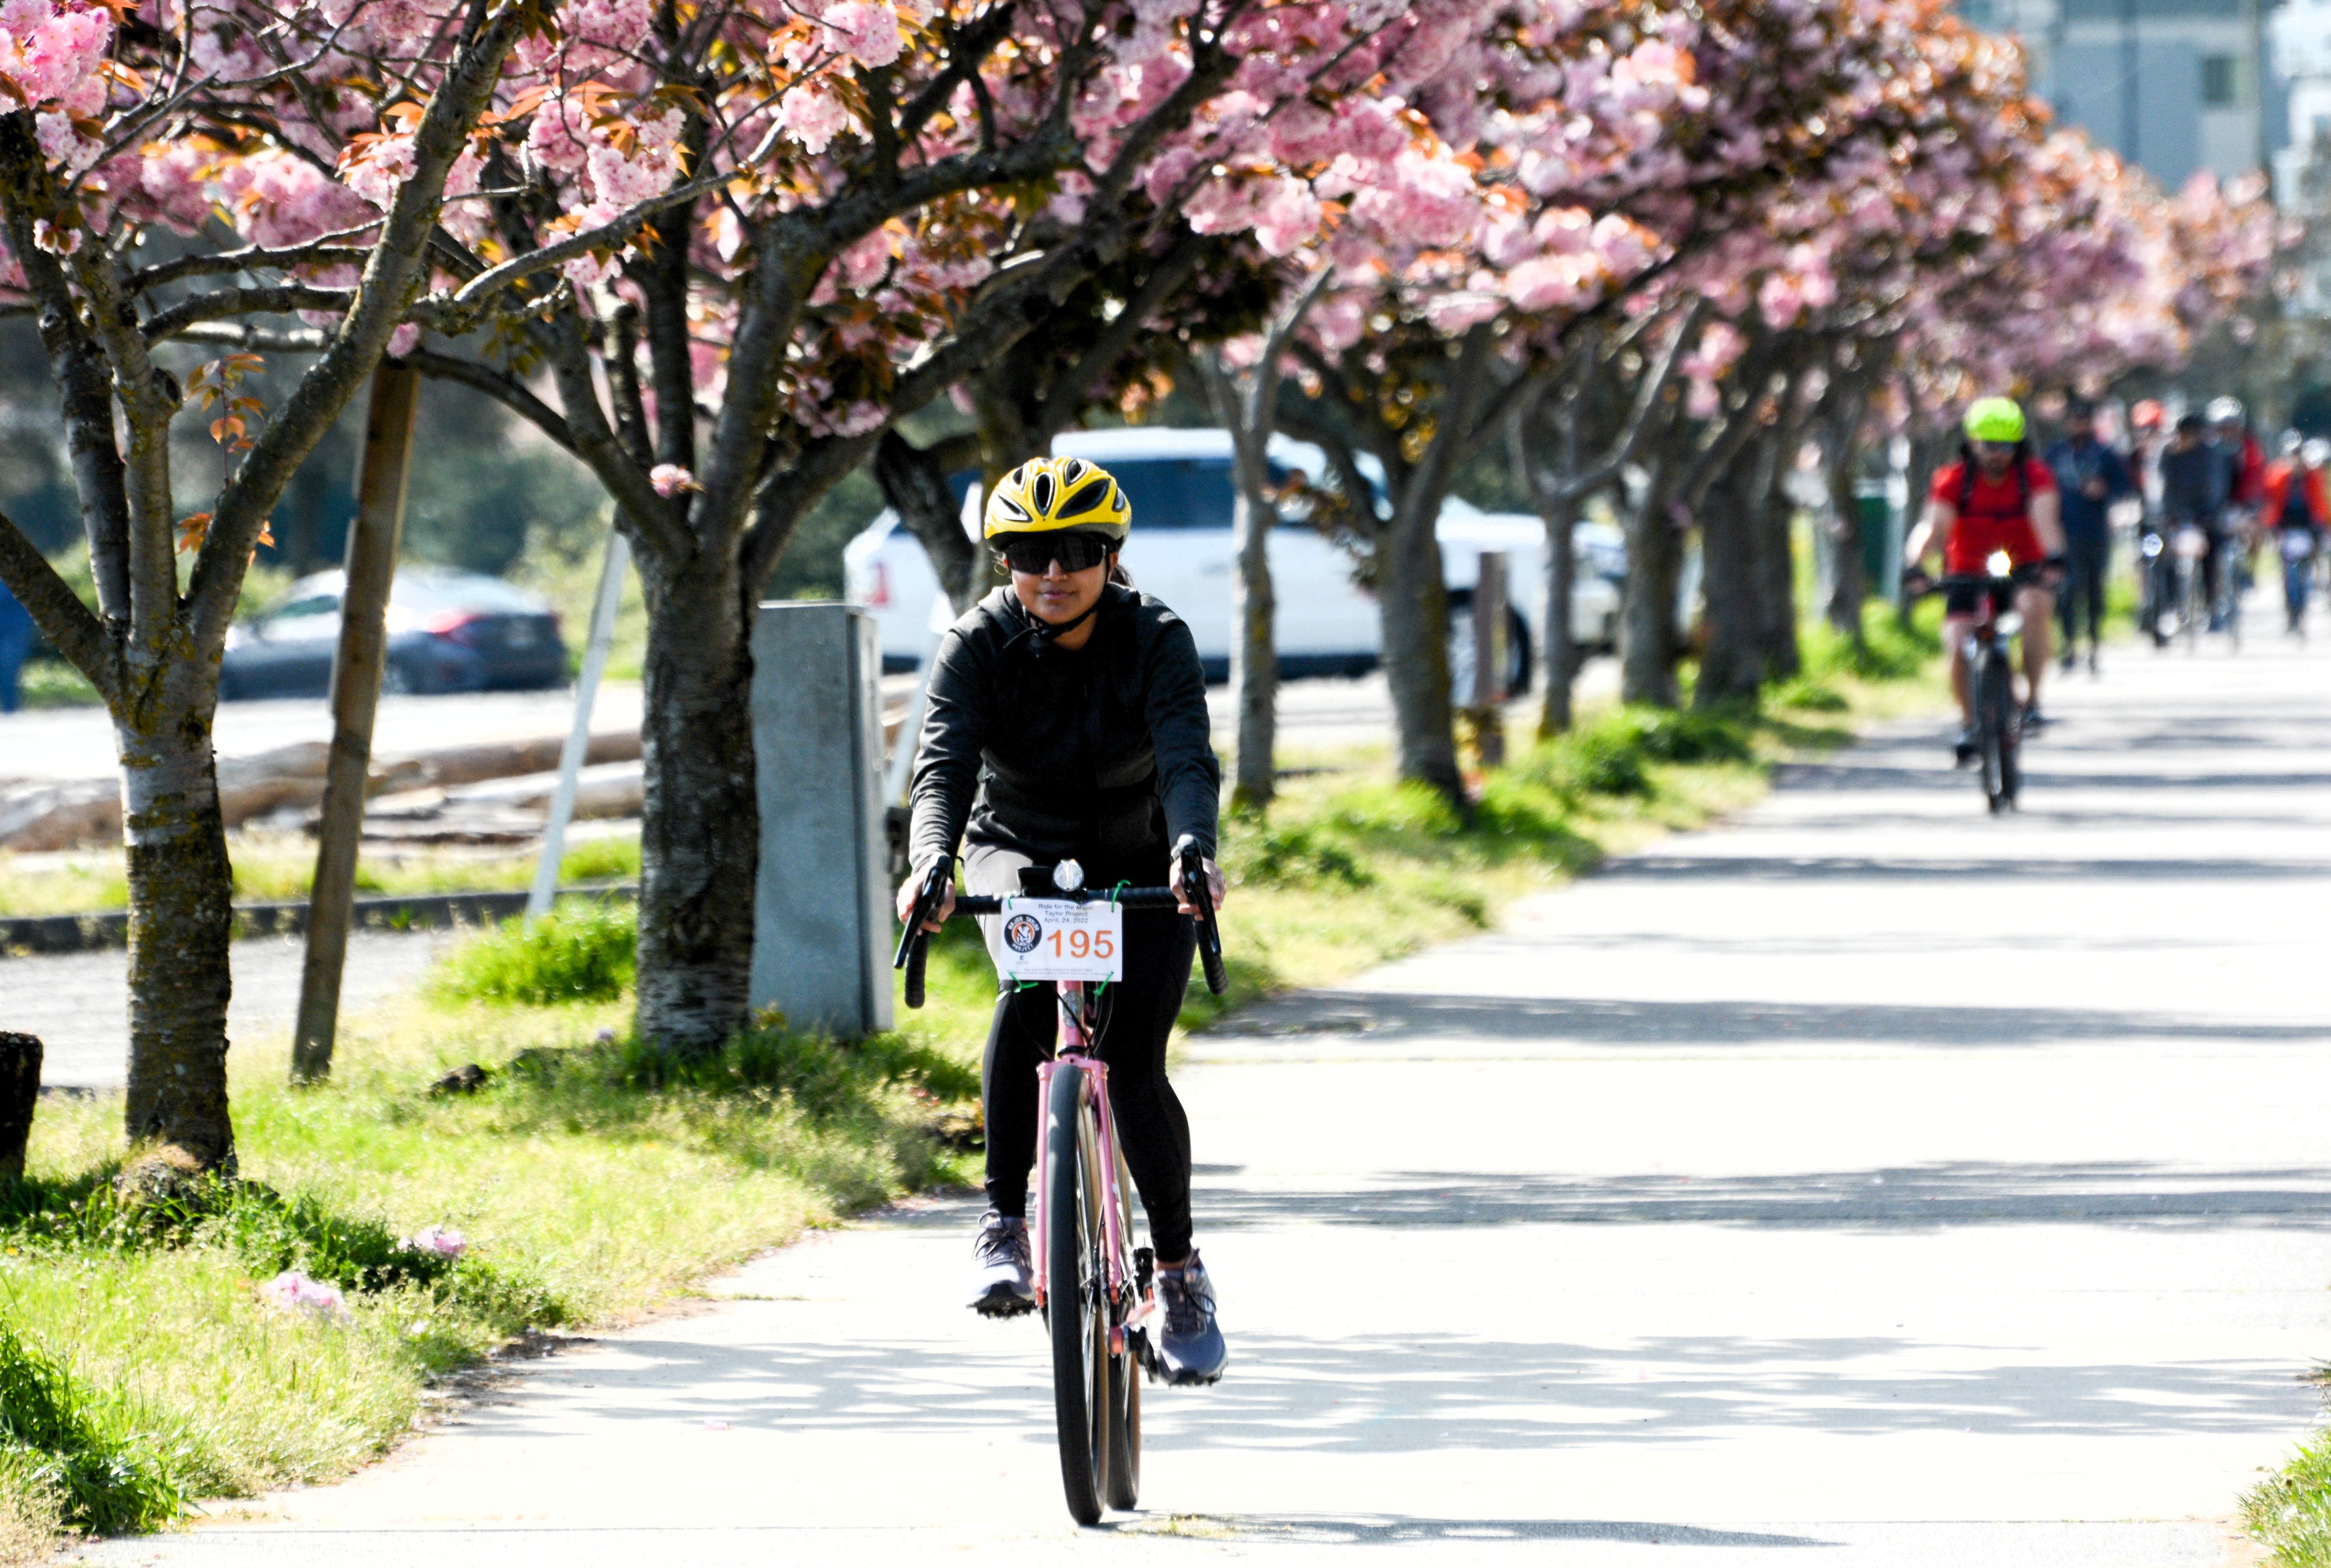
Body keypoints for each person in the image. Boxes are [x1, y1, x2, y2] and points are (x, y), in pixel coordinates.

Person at [896, 454, 1231, 1387]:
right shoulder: (976, 642)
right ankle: (1005, 1220)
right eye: (1029, 552)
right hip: (1021, 849)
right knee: (1030, 985)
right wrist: (933, 858)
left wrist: (1191, 848)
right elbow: (943, 769)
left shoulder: (1155, 635)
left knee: (1132, 1066)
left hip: (1142, 855)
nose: (1053, 570)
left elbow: (1185, 757)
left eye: (1077, 550)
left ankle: (1177, 1272)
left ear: (1110, 555)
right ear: (1004, 559)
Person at [1904, 396, 2066, 758]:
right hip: (1965, 570)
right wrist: (1915, 564)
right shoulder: (1953, 480)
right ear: (1972, 444)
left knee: (2035, 605)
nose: (1998, 455)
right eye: (1989, 446)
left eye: (2006, 446)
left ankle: (2034, 699)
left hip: (2022, 566)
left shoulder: (2033, 476)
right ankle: (1967, 724)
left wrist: (2054, 558)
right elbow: (1932, 527)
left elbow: (2046, 522)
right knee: (1958, 640)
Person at [2043, 398, 2135, 676]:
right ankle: (2068, 646)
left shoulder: (2104, 454)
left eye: (2082, 419)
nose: (2077, 425)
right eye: (2073, 419)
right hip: (2063, 533)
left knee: (2093, 591)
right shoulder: (2055, 454)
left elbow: (2123, 486)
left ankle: (2094, 645)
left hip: (2095, 531)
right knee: (2066, 591)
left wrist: (2103, 489)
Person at [2157, 412, 2230, 638]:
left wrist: (2211, 515)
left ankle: (2213, 607)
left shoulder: (2212, 456)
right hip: (2177, 518)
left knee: (2212, 557)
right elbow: (2164, 488)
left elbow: (2217, 488)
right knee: (2163, 558)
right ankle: (2169, 608)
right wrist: (2171, 516)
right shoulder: (2169, 456)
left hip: (2207, 516)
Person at [2264, 436, 2331, 635]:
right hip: (2285, 528)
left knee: (2307, 573)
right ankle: (2291, 612)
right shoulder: (2278, 476)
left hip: (2308, 529)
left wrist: (2320, 527)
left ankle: (2305, 606)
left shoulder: (2314, 477)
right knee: (2288, 574)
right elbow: (2272, 505)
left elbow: (2320, 505)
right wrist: (2273, 527)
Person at [0, 577, 30, 715]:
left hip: (15, 627)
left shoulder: (14, 569)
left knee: (9, 666)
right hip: (15, 625)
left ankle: (10, 706)